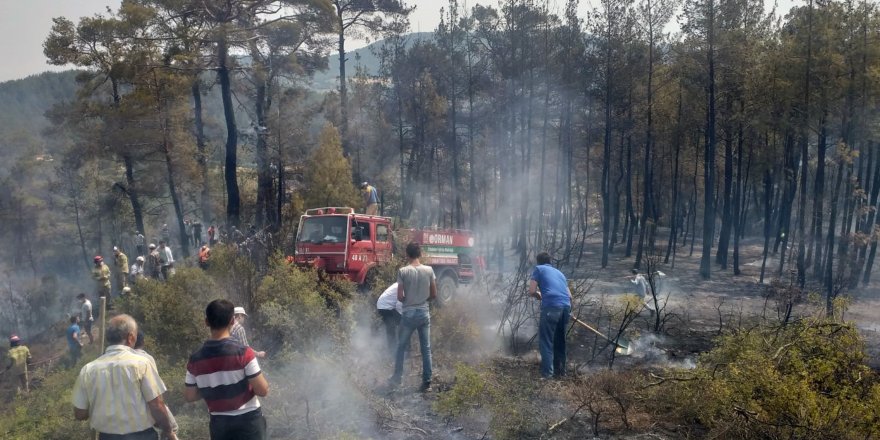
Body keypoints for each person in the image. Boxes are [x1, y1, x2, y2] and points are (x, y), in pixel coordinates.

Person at [72, 314, 176, 440]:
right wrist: (168, 431)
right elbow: (156, 405)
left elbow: (80, 413)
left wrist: (100, 405)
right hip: (143, 436)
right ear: (131, 337)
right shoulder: (141, 364)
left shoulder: (88, 370)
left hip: (106, 437)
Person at [185, 299, 270, 440]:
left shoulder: (195, 359)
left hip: (219, 424)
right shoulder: (244, 353)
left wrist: (212, 390)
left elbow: (190, 396)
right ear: (232, 321)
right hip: (248, 421)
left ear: (206, 322)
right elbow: (263, 390)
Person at [390, 242, 436, 392]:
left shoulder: (403, 271)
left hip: (408, 314)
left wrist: (408, 301)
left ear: (407, 254)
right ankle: (427, 382)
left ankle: (397, 378)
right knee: (426, 349)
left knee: (401, 347)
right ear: (420, 254)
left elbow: (399, 296)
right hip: (424, 313)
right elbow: (434, 294)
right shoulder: (429, 270)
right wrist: (422, 301)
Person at [528, 252, 572, 379]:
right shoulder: (560, 274)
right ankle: (561, 373)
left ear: (538, 261)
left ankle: (547, 375)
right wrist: (567, 311)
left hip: (551, 307)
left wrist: (539, 296)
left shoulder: (539, 269)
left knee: (546, 341)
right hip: (565, 307)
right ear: (550, 261)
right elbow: (569, 296)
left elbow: (531, 291)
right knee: (560, 341)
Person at [134, 331, 179, 438]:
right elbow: (154, 389)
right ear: (143, 342)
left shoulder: (123, 358)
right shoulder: (146, 358)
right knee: (173, 427)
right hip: (149, 405)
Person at [376, 282, 403, 358]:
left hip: (386, 306)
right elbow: (399, 305)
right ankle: (392, 352)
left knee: (395, 326)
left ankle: (396, 349)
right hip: (385, 307)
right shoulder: (405, 285)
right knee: (392, 327)